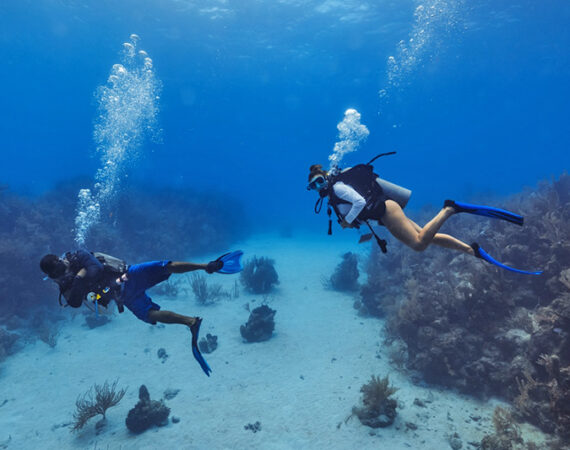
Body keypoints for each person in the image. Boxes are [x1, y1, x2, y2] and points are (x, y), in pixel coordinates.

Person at [307, 160, 541, 275]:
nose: (318, 186)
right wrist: (351, 224)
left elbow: (358, 202)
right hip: (385, 213)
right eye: (313, 186)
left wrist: (348, 222)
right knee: (428, 237)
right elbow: (358, 211)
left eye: (319, 181)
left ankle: (449, 209)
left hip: (387, 212)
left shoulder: (337, 189)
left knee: (419, 244)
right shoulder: (333, 198)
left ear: (326, 177)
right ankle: (471, 250)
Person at [40, 249, 243, 375]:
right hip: (123, 297)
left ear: (61, 260)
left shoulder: (78, 256)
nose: (62, 273)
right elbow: (74, 303)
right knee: (150, 315)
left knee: (166, 266)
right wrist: (77, 279)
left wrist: (78, 279)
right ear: (52, 276)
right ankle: (191, 322)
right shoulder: (65, 282)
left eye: (61, 268)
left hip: (128, 275)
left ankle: (206, 266)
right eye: (57, 274)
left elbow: (96, 269)